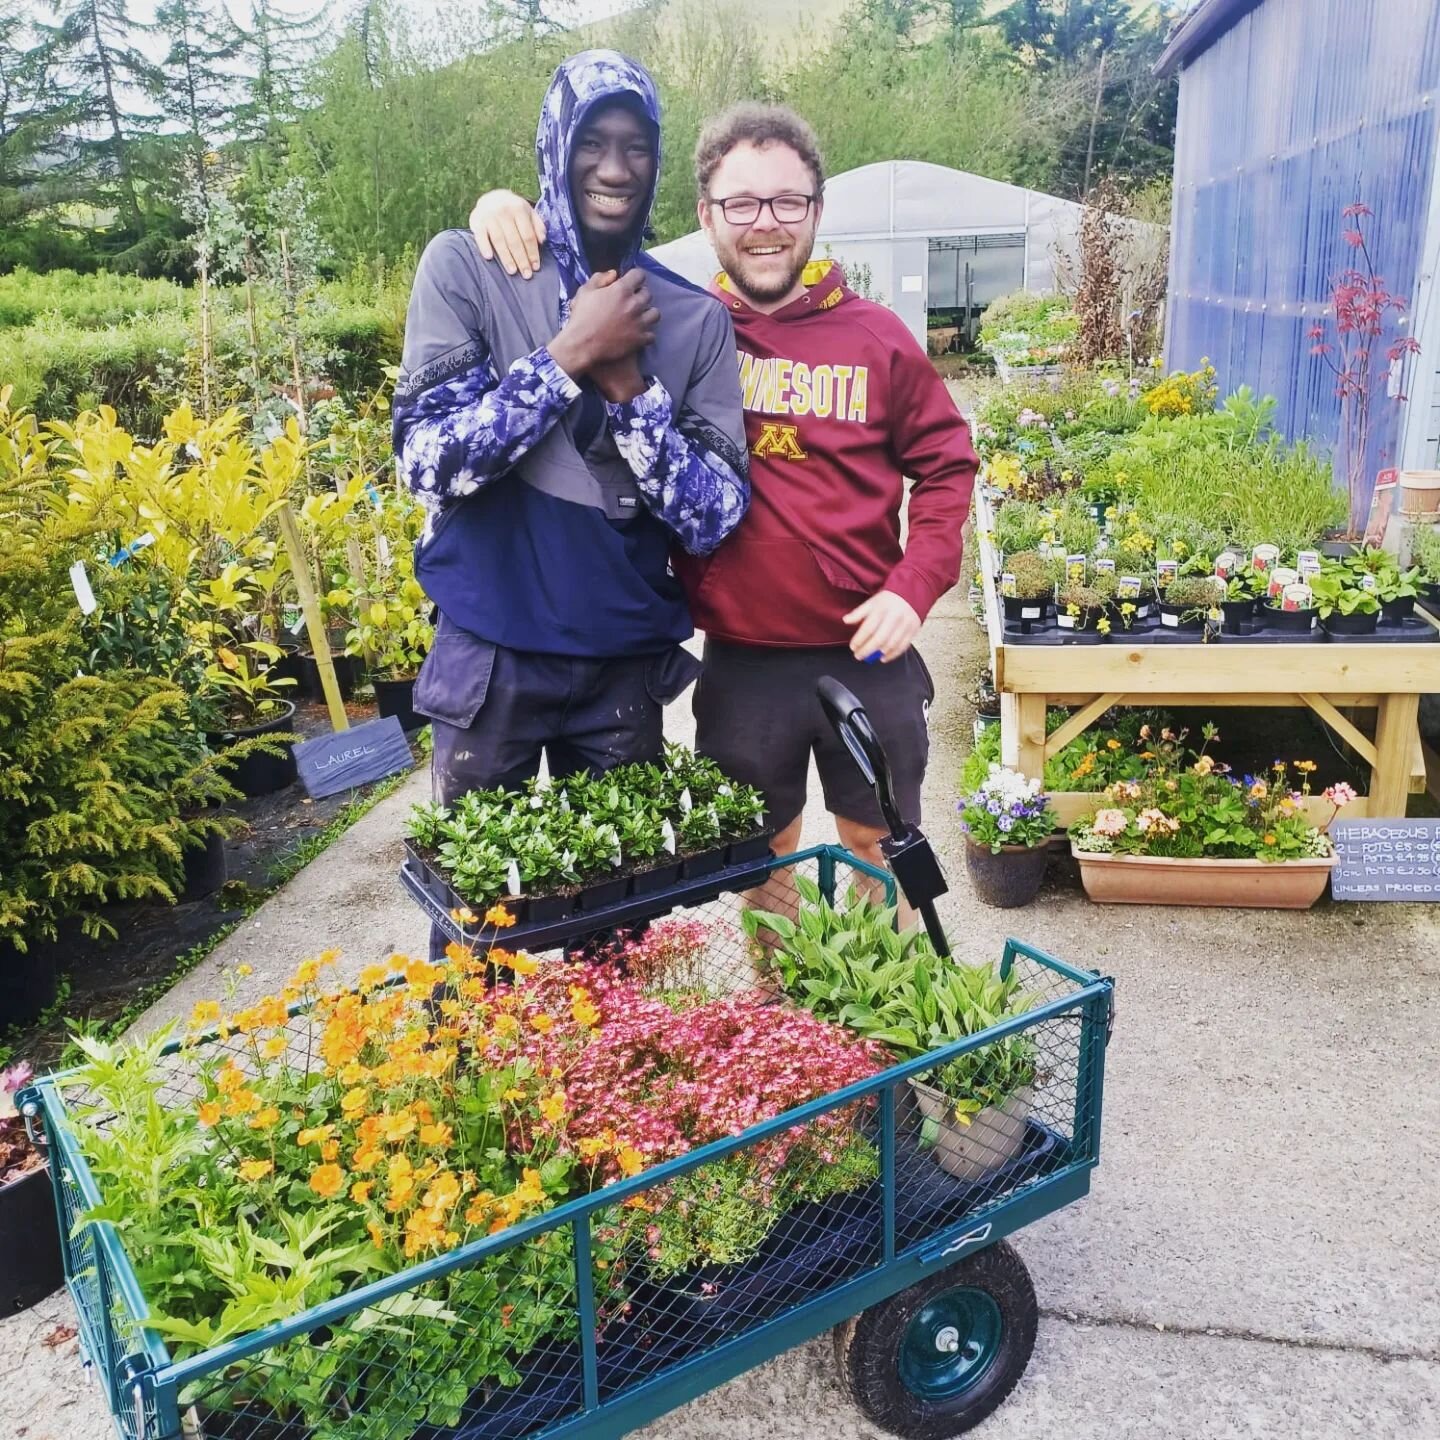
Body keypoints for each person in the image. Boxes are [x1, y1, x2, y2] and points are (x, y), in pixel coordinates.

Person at [468, 102, 975, 886]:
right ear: (706, 215)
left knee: (882, 844)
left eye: (786, 201)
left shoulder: (877, 339)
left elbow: (948, 464)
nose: (765, 224)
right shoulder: (677, 327)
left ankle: (883, 1008)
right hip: (741, 661)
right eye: (741, 203)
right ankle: (785, 1006)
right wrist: (503, 207)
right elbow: (574, 247)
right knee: (756, 860)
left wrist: (914, 587)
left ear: (816, 209)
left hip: (869, 651)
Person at [395, 51, 749, 949]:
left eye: (637, 146)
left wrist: (632, 391)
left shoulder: (695, 319)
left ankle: (618, 1089)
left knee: (620, 928)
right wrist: (563, 358)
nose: (616, 167)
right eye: (593, 140)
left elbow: (714, 514)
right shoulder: (465, 268)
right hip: (492, 659)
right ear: (557, 145)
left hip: (619, 667)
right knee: (480, 933)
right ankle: (479, 1082)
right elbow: (427, 461)